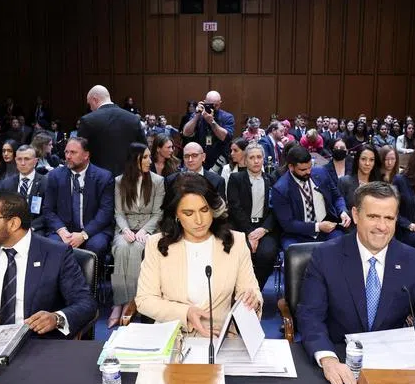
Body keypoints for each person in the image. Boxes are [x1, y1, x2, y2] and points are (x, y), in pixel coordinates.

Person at [297, 181, 415, 384]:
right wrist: (328, 359)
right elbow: (311, 316)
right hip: (339, 358)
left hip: (392, 367)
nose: (382, 226)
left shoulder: (413, 260)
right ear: (356, 215)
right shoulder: (326, 256)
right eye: (373, 217)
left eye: (389, 218)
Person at [0, 191, 97, 337]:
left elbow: (86, 303)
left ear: (14, 223)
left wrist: (56, 318)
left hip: (37, 344)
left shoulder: (56, 254)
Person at [134, 173, 263, 332]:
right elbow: (144, 300)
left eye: (204, 210)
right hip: (174, 338)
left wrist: (253, 301)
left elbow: (251, 290)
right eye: (188, 213)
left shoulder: (236, 242)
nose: (199, 221)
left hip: (219, 339)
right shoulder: (155, 244)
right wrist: (185, 313)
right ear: (176, 214)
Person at [111, 143, 165, 327]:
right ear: (135, 159)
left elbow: (158, 213)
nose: (150, 161)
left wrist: (144, 231)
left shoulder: (158, 181)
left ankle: (132, 302)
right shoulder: (120, 181)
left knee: (137, 249)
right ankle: (118, 302)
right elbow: (118, 212)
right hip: (125, 227)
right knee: (120, 249)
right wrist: (125, 230)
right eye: (145, 157)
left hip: (148, 228)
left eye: (149, 157)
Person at [41, 137, 114, 259]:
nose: (68, 156)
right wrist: (62, 231)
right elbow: (48, 209)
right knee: (54, 245)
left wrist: (84, 235)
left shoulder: (104, 177)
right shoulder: (55, 176)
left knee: (96, 246)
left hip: (94, 230)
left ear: (86, 155)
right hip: (63, 229)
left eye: (73, 152)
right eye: (66, 152)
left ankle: (93, 279)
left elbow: (105, 212)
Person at [272, 146, 350, 249]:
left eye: (310, 167)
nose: (308, 172)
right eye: (303, 169)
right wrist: (318, 226)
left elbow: (336, 197)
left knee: (343, 247)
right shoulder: (280, 189)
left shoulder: (321, 172)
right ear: (291, 167)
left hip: (327, 230)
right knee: (293, 254)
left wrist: (342, 211)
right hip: (297, 235)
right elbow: (288, 224)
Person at [226, 143, 278, 289]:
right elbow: (235, 208)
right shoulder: (235, 179)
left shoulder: (271, 180)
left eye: (259, 157)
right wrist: (250, 233)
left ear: (263, 160)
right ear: (245, 160)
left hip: (264, 228)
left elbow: (276, 210)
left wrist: (263, 230)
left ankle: (255, 289)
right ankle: (240, 290)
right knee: (240, 253)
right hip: (241, 226)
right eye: (252, 157)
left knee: (267, 254)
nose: (256, 161)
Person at [78, 85, 146, 177]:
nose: (90, 108)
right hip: (129, 179)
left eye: (89, 104)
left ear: (95, 99)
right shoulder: (133, 119)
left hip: (99, 181)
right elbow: (144, 150)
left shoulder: (87, 120)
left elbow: (80, 153)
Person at [181, 90, 235, 170]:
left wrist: (212, 122)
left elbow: (225, 137)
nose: (212, 107)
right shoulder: (198, 115)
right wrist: (197, 115)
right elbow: (186, 133)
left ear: (220, 103)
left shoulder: (227, 117)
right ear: (204, 102)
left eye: (216, 105)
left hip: (219, 161)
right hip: (199, 160)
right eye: (209, 105)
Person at [0, 145, 47, 231]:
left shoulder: (45, 183)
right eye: (19, 159)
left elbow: (48, 212)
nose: (22, 163)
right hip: (10, 228)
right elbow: (2, 209)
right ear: (15, 160)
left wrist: (31, 228)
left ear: (35, 161)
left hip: (35, 229)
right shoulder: (6, 184)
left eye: (27, 159)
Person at [339, 145, 379, 211]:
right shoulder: (344, 182)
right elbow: (339, 207)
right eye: (363, 159)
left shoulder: (378, 185)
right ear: (357, 160)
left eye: (371, 160)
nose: (367, 163)